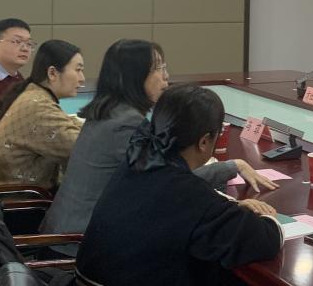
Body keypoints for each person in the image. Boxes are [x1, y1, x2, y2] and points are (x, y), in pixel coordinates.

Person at [74, 84, 283, 286]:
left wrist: (230, 206)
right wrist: (267, 217)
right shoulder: (189, 195)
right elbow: (265, 240)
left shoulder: (136, 163)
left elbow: (184, 203)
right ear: (204, 141)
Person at [41, 40, 273, 247]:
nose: (166, 77)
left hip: (64, 230)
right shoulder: (126, 125)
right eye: (159, 68)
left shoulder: (106, 112)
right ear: (135, 75)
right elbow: (170, 184)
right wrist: (232, 168)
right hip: (78, 243)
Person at [0, 39, 84, 186]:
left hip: (12, 193)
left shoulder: (34, 97)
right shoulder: (38, 106)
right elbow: (85, 148)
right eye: (78, 70)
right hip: (21, 198)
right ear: (52, 73)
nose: (82, 79)